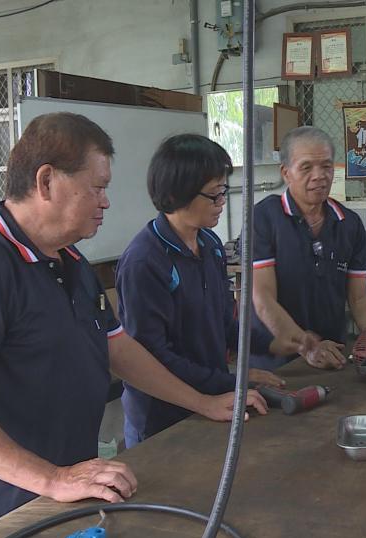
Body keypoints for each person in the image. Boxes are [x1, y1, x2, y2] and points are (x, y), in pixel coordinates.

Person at [0, 113, 267, 538]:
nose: (106, 201)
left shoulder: (71, 263)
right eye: (97, 187)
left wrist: (202, 402)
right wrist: (52, 479)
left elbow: (120, 350)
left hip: (66, 490)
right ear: (46, 182)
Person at [115, 134, 298, 448]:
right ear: (176, 195)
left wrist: (273, 344)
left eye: (223, 191)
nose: (223, 202)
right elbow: (153, 356)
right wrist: (235, 381)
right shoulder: (145, 262)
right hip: (161, 417)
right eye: (214, 195)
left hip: (208, 401)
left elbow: (223, 324)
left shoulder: (210, 246)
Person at [250, 127, 366, 370]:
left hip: (332, 356)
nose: (319, 175)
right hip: (274, 364)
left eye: (326, 166)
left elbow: (359, 299)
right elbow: (262, 297)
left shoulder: (349, 224)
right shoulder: (263, 218)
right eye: (306, 167)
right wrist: (306, 346)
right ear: (286, 173)